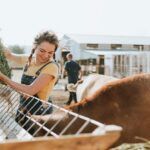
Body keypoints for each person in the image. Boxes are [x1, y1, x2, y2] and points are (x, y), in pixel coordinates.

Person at [0, 31, 59, 125]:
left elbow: (29, 91)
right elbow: (9, 55)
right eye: (42, 51)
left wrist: (4, 78)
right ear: (35, 47)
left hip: (40, 115)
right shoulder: (30, 59)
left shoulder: (51, 67)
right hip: (23, 110)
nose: (45, 56)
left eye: (50, 53)